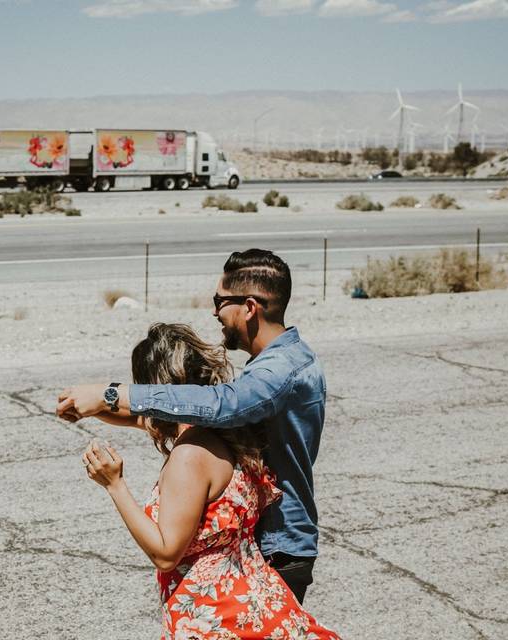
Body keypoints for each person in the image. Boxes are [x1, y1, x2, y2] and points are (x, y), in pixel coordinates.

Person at [59, 249, 325, 604]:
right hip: (276, 547)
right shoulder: (288, 360)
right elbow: (190, 418)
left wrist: (113, 394)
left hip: (277, 547)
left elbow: (222, 405)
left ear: (249, 307)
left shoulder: (276, 373)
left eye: (219, 301)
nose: (214, 312)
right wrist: (96, 408)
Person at [81, 323, 339, 639]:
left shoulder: (189, 456)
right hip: (258, 604)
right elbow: (147, 419)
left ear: (154, 389)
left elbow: (165, 553)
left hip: (214, 616)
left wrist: (114, 484)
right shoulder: (230, 430)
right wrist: (90, 407)